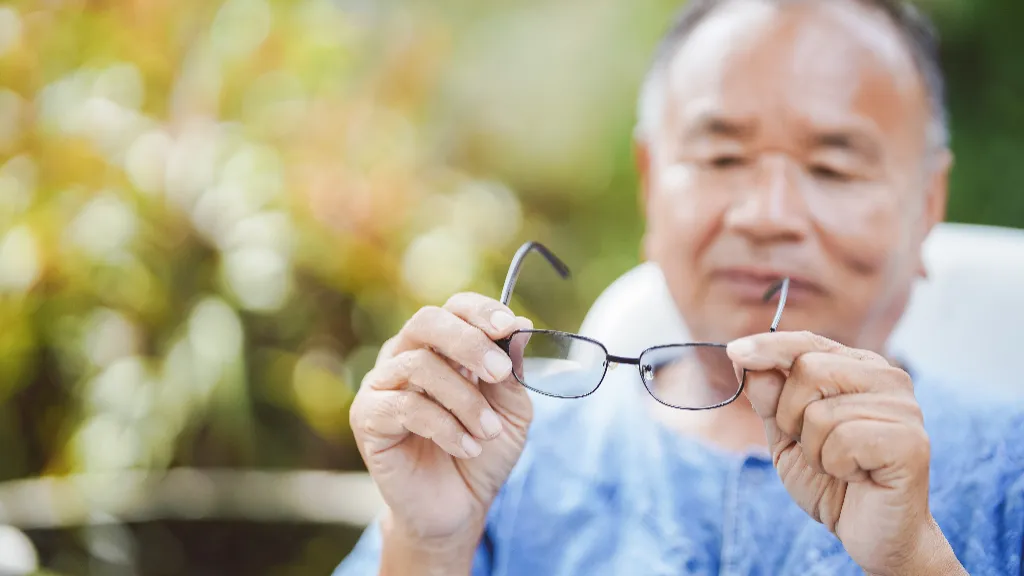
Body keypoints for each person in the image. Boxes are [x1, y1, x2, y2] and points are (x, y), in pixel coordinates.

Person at [337, 0, 1024, 574]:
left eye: (834, 168)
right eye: (722, 156)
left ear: (928, 204)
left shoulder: (1008, 479)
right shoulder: (489, 455)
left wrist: (915, 558)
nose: (768, 215)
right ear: (649, 185)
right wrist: (426, 546)